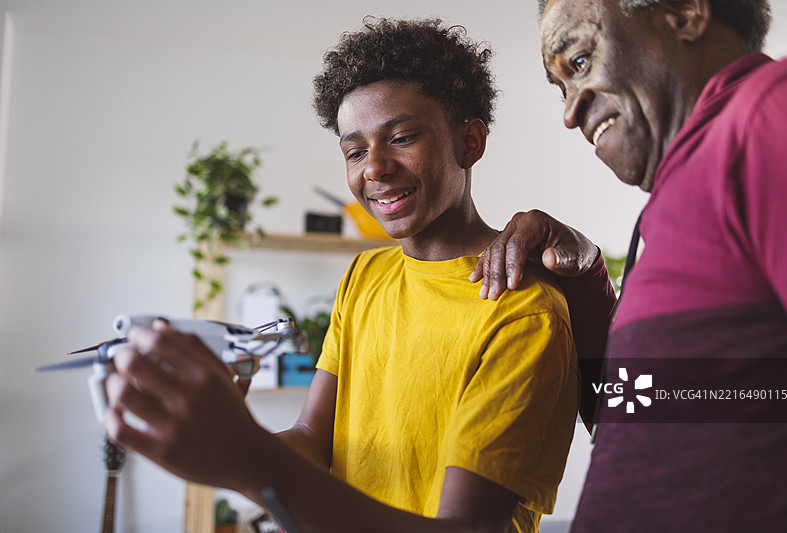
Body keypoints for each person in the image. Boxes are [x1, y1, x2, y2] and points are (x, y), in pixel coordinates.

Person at [104, 18, 582, 532]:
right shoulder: (365, 274)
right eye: (355, 151)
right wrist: (222, 440)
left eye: (400, 137)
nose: (374, 168)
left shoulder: (523, 310)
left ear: (469, 142)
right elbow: (314, 438)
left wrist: (247, 455)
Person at [472, 0, 787, 531]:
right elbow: (639, 415)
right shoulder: (678, 194)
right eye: (559, 87)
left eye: (578, 62)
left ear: (685, 13)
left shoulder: (773, 112)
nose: (570, 112)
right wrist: (584, 279)